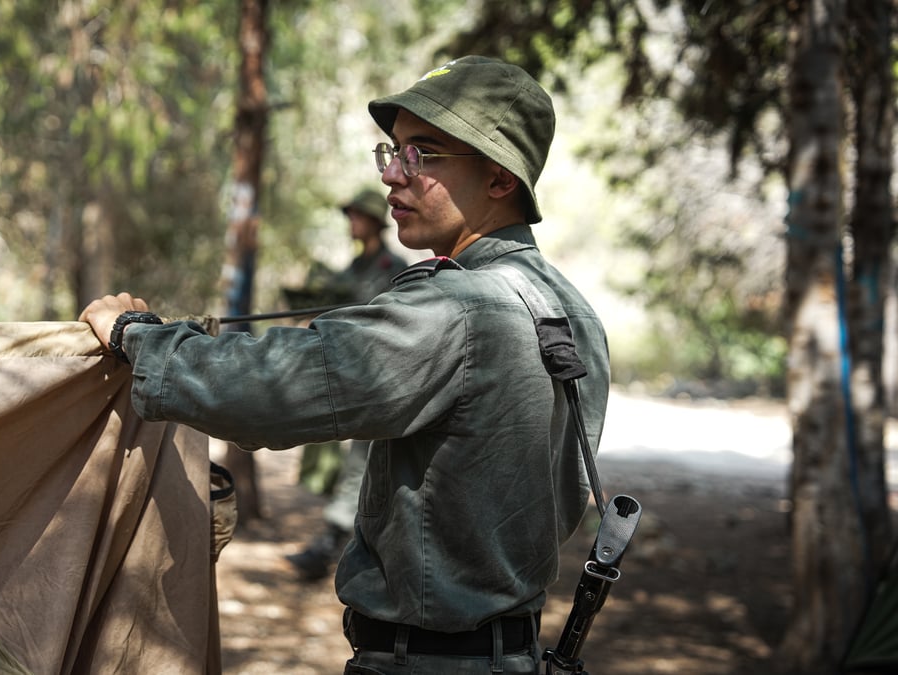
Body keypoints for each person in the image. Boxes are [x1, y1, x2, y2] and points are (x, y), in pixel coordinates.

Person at [80, 56, 610, 675]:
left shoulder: (458, 305)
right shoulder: (573, 311)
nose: (393, 176)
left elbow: (274, 391)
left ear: (498, 178)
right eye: (393, 152)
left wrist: (135, 336)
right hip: (510, 654)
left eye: (423, 155)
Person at [284, 189, 408, 582]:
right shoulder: (354, 266)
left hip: (383, 380)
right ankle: (345, 545)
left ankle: (328, 548)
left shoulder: (393, 265)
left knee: (364, 465)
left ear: (374, 221)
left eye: (358, 215)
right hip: (350, 376)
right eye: (349, 214)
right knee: (348, 466)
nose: (352, 222)